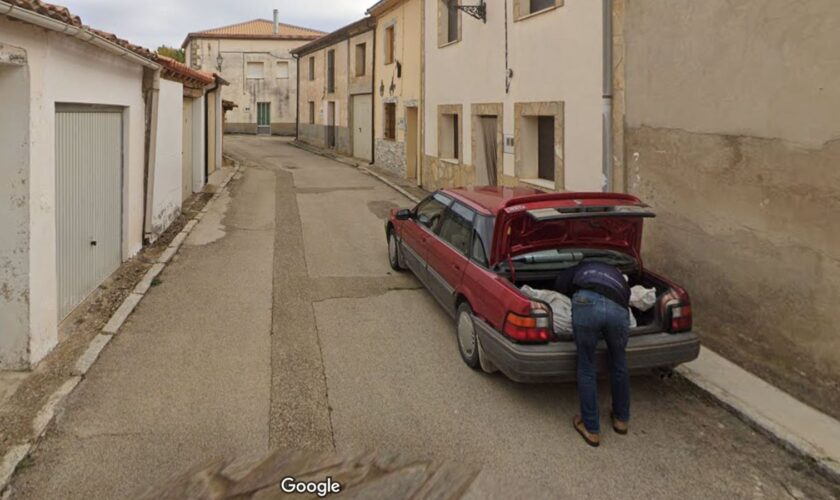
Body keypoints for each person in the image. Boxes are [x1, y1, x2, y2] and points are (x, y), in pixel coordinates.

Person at [554, 261, 631, 447]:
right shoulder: (618, 275)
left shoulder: (580, 268)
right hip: (617, 307)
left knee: (586, 365)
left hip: (585, 302)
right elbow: (627, 297)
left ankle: (591, 428)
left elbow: (560, 285)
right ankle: (621, 420)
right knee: (619, 361)